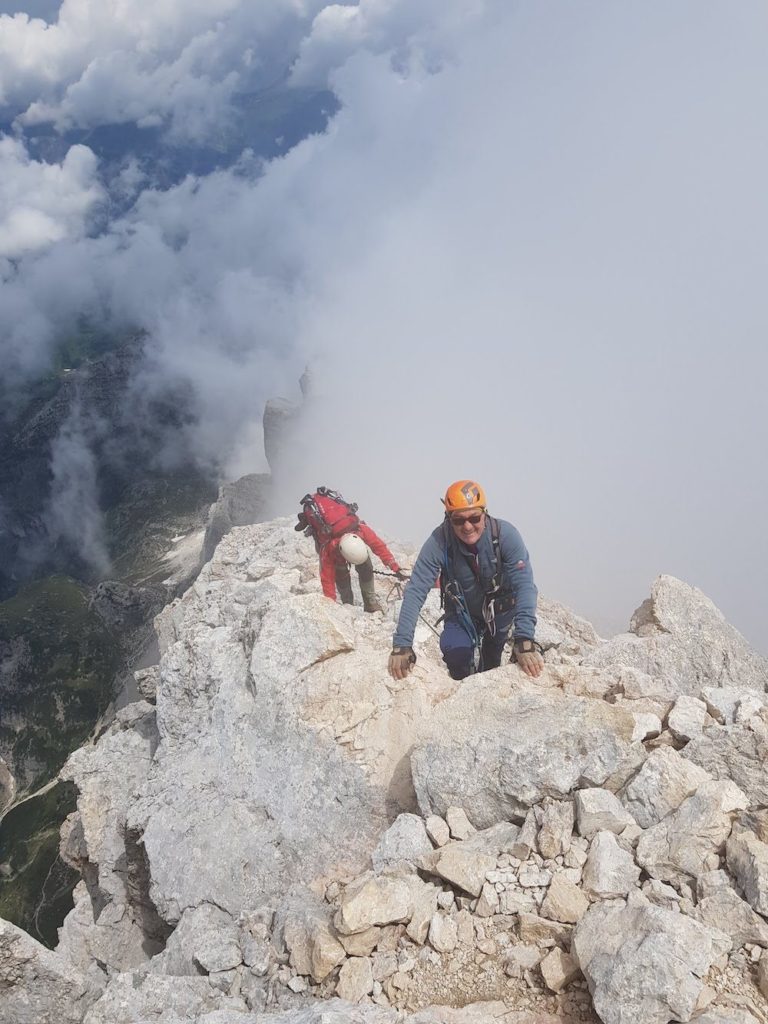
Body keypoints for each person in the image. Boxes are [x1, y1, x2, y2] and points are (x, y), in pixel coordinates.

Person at [388, 480, 544, 681]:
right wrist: (402, 644)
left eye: (474, 518)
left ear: (485, 514)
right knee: (455, 653)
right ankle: (464, 683)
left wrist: (524, 639)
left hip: (500, 612)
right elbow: (416, 588)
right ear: (448, 518)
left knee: (491, 659)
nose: (468, 526)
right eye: (459, 520)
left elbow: (525, 585)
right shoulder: (440, 540)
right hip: (462, 612)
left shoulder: (505, 535)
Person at [295, 486, 406, 613]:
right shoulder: (329, 550)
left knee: (364, 566)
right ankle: (349, 605)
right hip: (333, 544)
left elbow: (379, 547)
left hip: (345, 541)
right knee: (341, 573)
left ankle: (368, 604)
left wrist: (395, 567)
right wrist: (330, 603)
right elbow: (327, 578)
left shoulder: (361, 530)